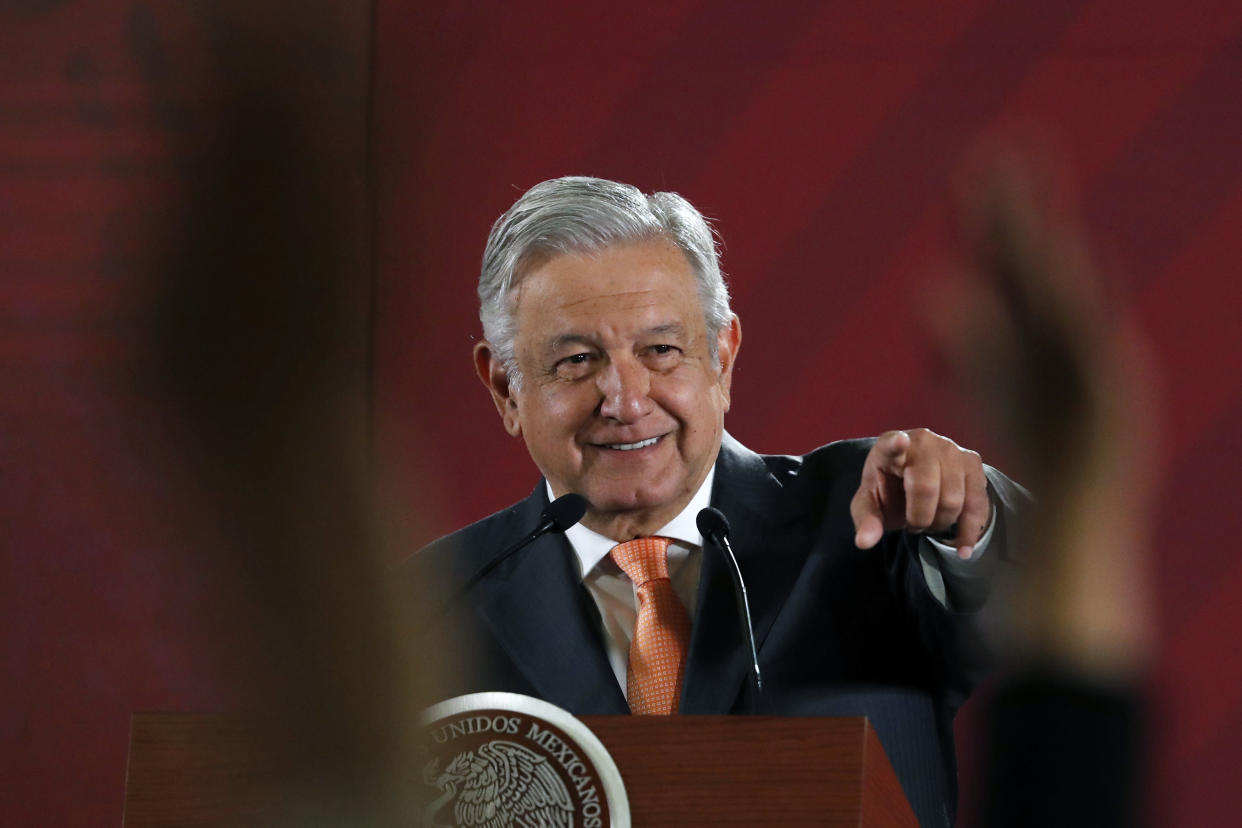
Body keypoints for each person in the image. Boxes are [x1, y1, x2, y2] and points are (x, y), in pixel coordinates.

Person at [401, 176, 1028, 827]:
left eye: (661, 351)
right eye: (578, 361)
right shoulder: (426, 603)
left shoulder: (869, 518)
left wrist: (969, 511)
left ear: (721, 359)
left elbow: (1057, 605)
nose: (625, 399)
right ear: (506, 388)